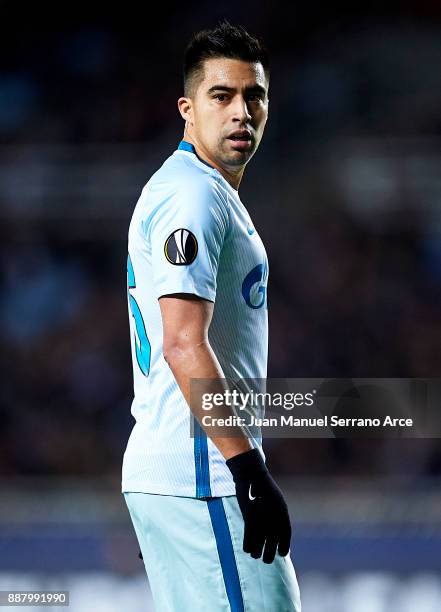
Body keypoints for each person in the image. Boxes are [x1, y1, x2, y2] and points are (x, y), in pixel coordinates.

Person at [122, 20, 301, 612]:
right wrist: (245, 467)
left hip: (188, 477)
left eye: (254, 96)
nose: (241, 112)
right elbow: (182, 343)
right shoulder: (193, 196)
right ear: (187, 109)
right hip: (204, 476)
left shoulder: (203, 191)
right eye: (220, 96)